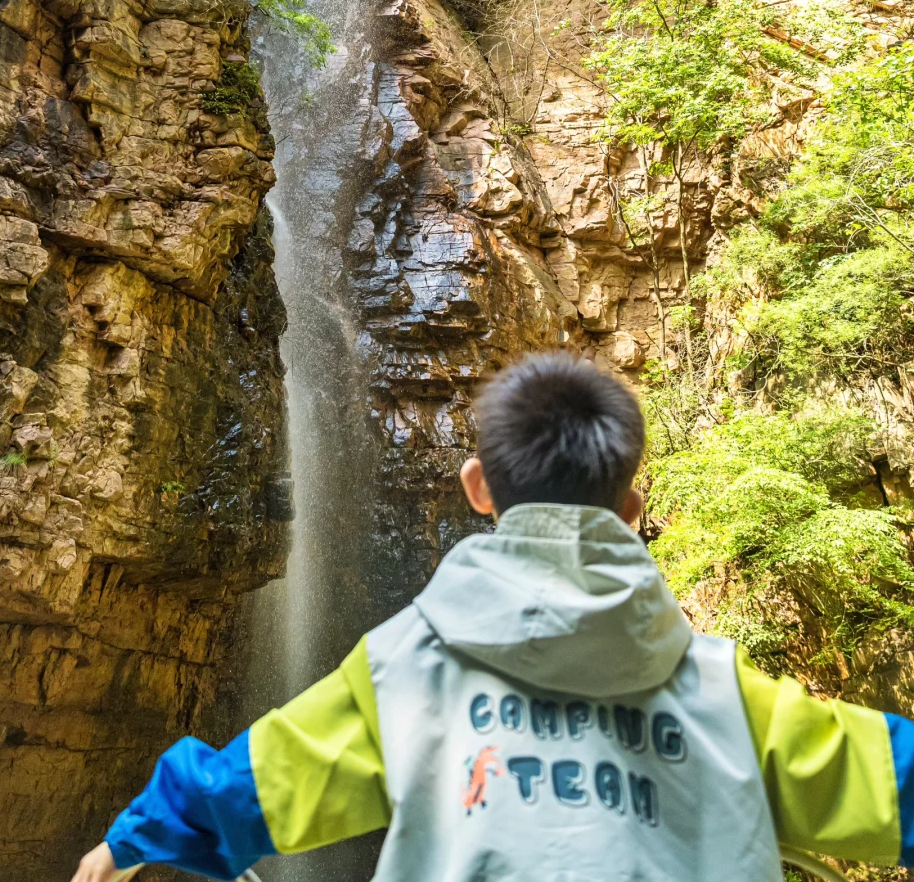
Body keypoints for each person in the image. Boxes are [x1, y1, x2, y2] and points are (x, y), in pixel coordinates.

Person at [71, 352, 914, 882]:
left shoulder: (403, 670)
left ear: (478, 486)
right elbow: (893, 778)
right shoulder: (726, 693)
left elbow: (246, 789)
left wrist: (127, 843)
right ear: (631, 505)